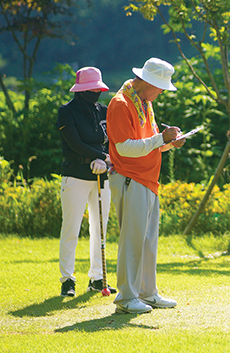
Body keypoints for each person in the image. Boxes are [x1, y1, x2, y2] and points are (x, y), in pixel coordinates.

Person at [107, 57, 186, 314]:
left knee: (148, 240)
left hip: (148, 180)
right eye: (161, 87)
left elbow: (149, 142)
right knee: (132, 240)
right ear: (147, 82)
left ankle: (147, 293)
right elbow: (125, 148)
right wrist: (160, 139)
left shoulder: (144, 102)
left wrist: (168, 143)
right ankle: (126, 297)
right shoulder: (120, 103)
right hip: (130, 178)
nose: (162, 92)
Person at [57, 66, 115, 297]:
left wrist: (107, 159)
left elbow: (112, 139)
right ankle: (67, 280)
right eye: (91, 89)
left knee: (100, 229)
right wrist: (100, 156)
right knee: (71, 228)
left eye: (98, 89)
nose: (95, 92)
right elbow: (74, 143)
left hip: (102, 177)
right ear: (80, 91)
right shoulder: (67, 112)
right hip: (75, 175)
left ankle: (97, 278)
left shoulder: (104, 110)